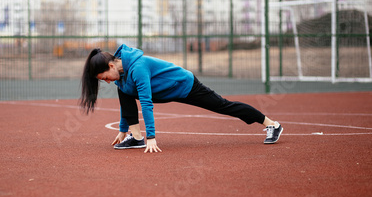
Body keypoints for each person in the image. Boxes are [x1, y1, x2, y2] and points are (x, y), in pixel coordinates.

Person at [80, 44, 283, 153]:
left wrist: (152, 137)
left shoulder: (138, 68)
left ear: (111, 66)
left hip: (184, 85)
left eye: (105, 77)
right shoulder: (121, 77)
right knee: (123, 92)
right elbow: (126, 105)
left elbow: (146, 103)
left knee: (223, 106)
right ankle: (136, 138)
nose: (107, 82)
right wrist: (123, 130)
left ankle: (271, 124)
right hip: (165, 91)